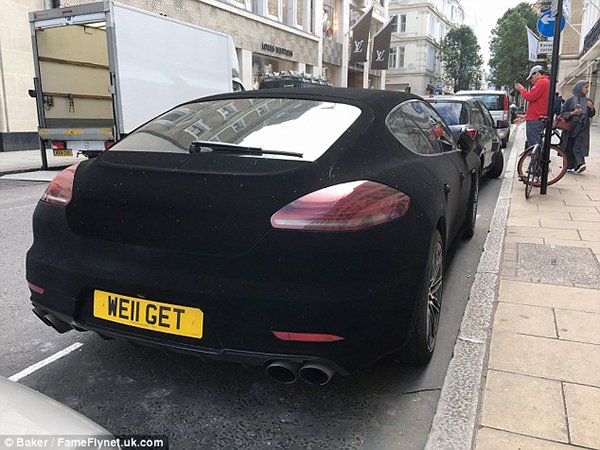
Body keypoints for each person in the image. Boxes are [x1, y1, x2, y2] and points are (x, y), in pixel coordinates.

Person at [560, 80, 596, 173]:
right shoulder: (570, 100)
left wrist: (591, 108)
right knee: (569, 145)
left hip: (582, 127)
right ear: (579, 88)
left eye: (588, 87)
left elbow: (591, 114)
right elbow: (562, 113)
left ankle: (580, 164)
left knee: (578, 146)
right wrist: (573, 113)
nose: (587, 89)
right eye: (585, 87)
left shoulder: (588, 101)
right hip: (570, 127)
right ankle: (569, 165)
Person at [514, 65, 550, 148]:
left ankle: (536, 156)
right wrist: (526, 116)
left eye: (531, 77)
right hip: (537, 117)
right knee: (536, 144)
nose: (531, 81)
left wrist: (521, 89)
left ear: (537, 73)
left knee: (533, 145)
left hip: (535, 119)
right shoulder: (546, 82)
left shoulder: (542, 82)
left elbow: (530, 97)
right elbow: (538, 103)